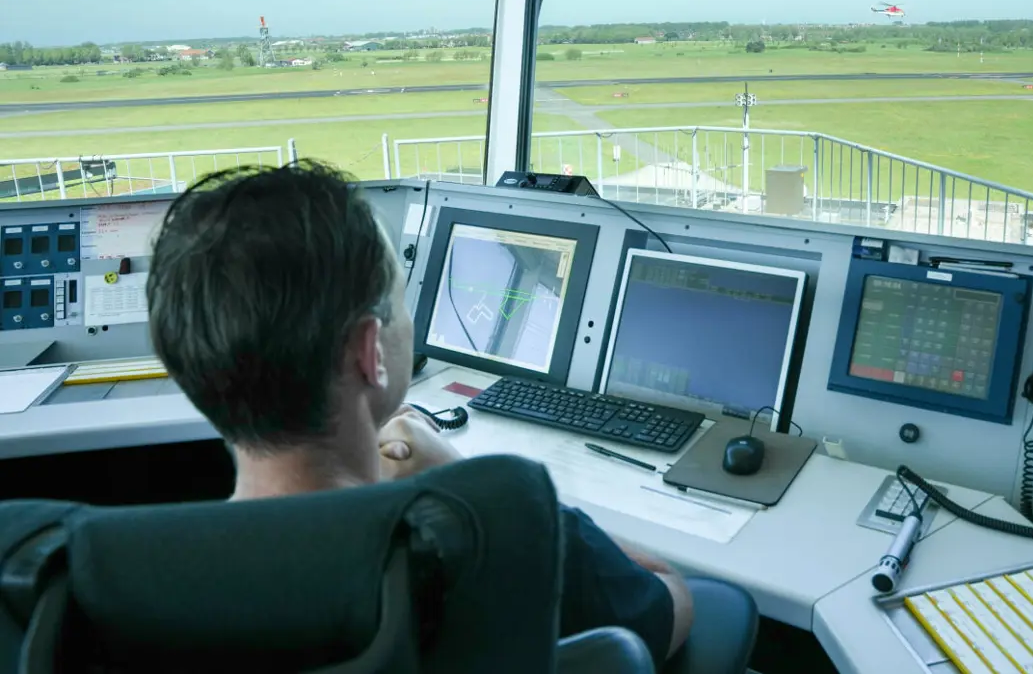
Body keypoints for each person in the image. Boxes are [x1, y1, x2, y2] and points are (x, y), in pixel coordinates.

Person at [144, 160, 693, 664]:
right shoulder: (510, 517)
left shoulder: (145, 584)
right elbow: (667, 603)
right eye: (400, 302)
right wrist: (457, 478)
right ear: (371, 353)